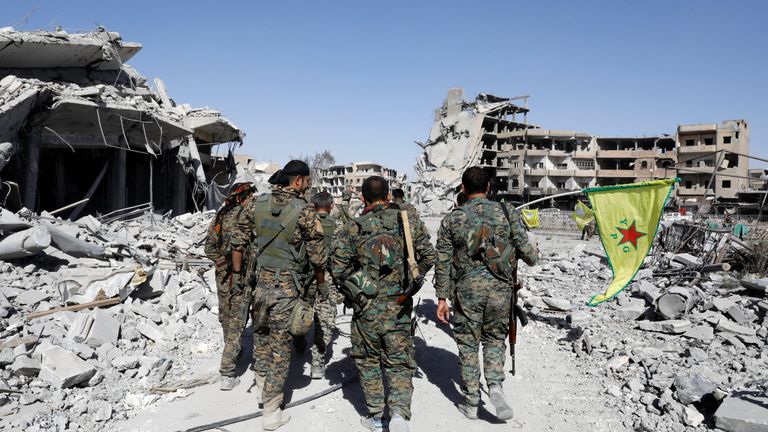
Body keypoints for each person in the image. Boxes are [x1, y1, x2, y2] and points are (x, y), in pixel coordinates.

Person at [434, 167, 538, 421]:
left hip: (466, 293)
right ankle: (495, 386)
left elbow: (443, 262)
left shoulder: (452, 219)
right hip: (501, 291)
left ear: (463, 188)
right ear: (489, 188)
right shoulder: (506, 212)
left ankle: (471, 402)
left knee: (468, 344)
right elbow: (530, 255)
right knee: (493, 339)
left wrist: (441, 298)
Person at [332, 176, 435, 432]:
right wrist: (412, 284)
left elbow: (337, 268)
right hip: (399, 305)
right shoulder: (406, 222)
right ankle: (399, 413)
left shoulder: (352, 227)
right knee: (399, 361)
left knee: (368, 361)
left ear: (363, 199)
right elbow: (429, 256)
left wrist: (362, 291)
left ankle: (377, 417)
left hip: (366, 310)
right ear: (388, 196)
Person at [236, 160, 326, 431]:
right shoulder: (305, 211)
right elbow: (318, 257)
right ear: (298, 180)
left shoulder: (256, 204)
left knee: (261, 336)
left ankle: (261, 385)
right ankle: (271, 411)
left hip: (259, 285)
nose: (309, 184)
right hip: (286, 289)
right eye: (307, 180)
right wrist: (321, 285)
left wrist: (241, 279)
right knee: (280, 347)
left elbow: (238, 242)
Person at [204, 182, 255, 391]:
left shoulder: (220, 216)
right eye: (250, 195)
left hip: (224, 275)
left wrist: (221, 263)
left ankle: (233, 350)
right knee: (236, 319)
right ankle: (227, 370)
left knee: (226, 316)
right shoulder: (247, 217)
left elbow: (209, 247)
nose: (252, 198)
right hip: (240, 275)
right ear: (241, 197)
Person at [309, 191, 341, 379]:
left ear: (313, 205)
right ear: (331, 206)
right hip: (327, 279)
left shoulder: (304, 224)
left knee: (300, 314)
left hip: (303, 278)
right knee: (325, 322)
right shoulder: (337, 227)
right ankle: (317, 363)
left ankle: (298, 344)